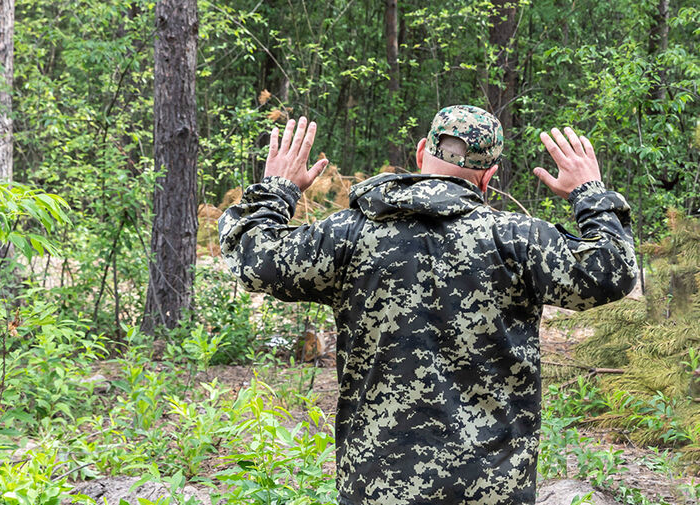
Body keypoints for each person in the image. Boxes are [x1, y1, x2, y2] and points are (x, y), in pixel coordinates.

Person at [218, 105, 638, 505]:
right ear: (488, 176)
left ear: (421, 152)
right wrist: (590, 192)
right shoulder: (517, 240)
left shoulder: (349, 235)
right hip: (490, 488)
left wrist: (277, 188)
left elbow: (254, 256)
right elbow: (612, 270)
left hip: (378, 488)